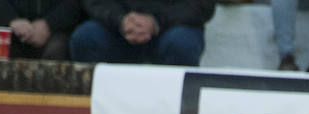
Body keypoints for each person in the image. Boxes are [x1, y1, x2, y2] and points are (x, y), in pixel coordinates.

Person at [69, 0, 216, 66]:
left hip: (171, 28)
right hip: (119, 28)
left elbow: (202, 5)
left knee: (182, 44)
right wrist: (121, 20)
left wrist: (156, 22)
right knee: (85, 38)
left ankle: (177, 110)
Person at [0, 0, 84, 59]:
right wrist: (11, 19)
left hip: (57, 30)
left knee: (56, 52)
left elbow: (75, 3)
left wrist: (49, 24)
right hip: (8, 28)